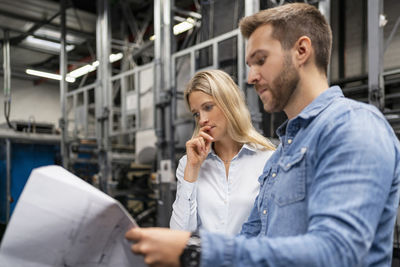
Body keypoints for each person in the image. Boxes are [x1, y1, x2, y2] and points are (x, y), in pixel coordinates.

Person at [125, 3, 400, 267]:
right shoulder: (281, 156)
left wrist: (195, 252)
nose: (250, 77)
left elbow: (339, 253)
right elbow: (254, 235)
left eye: (260, 60)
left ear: (302, 50)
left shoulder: (353, 127)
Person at [170, 69, 275, 235]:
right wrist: (192, 169)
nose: (202, 119)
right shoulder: (189, 163)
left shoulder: (266, 159)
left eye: (208, 107)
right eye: (196, 114)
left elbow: (272, 230)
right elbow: (178, 234)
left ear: (228, 103)